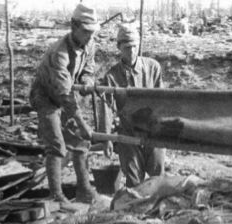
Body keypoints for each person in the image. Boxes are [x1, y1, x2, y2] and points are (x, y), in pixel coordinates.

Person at [29, 3, 99, 204]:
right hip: (45, 96)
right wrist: (83, 124)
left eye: (92, 32)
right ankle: (56, 196)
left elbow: (89, 69)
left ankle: (84, 190)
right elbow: (65, 95)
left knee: (79, 141)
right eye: (85, 31)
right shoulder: (59, 53)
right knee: (57, 145)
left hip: (65, 95)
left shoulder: (90, 44)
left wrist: (87, 80)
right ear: (73, 26)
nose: (89, 36)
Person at [103, 23, 166, 188]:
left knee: (157, 179)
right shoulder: (111, 76)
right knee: (134, 182)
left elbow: (163, 101)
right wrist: (107, 139)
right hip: (128, 134)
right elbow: (107, 110)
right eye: (127, 47)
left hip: (153, 132)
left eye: (134, 46)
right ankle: (135, 212)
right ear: (119, 47)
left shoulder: (153, 67)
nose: (131, 51)